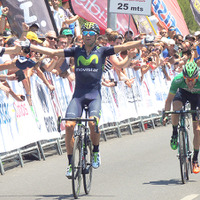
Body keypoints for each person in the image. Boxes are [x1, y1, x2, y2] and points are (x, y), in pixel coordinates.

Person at [23, 22, 153, 178]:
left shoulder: (103, 50)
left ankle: (96, 151)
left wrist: (141, 43)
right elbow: (53, 52)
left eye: (91, 34)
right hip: (78, 95)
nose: (88, 36)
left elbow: (121, 48)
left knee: (93, 123)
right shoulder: (76, 50)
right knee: (69, 125)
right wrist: (31, 47)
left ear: (96, 36)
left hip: (94, 95)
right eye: (85, 34)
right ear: (82, 36)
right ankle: (71, 164)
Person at [163, 54, 200, 174]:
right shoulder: (178, 79)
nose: (190, 82)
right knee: (176, 107)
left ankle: (195, 159)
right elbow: (168, 100)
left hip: (197, 97)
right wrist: (165, 114)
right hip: (183, 94)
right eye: (187, 80)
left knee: (197, 129)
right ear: (183, 77)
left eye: (192, 80)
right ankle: (174, 133)